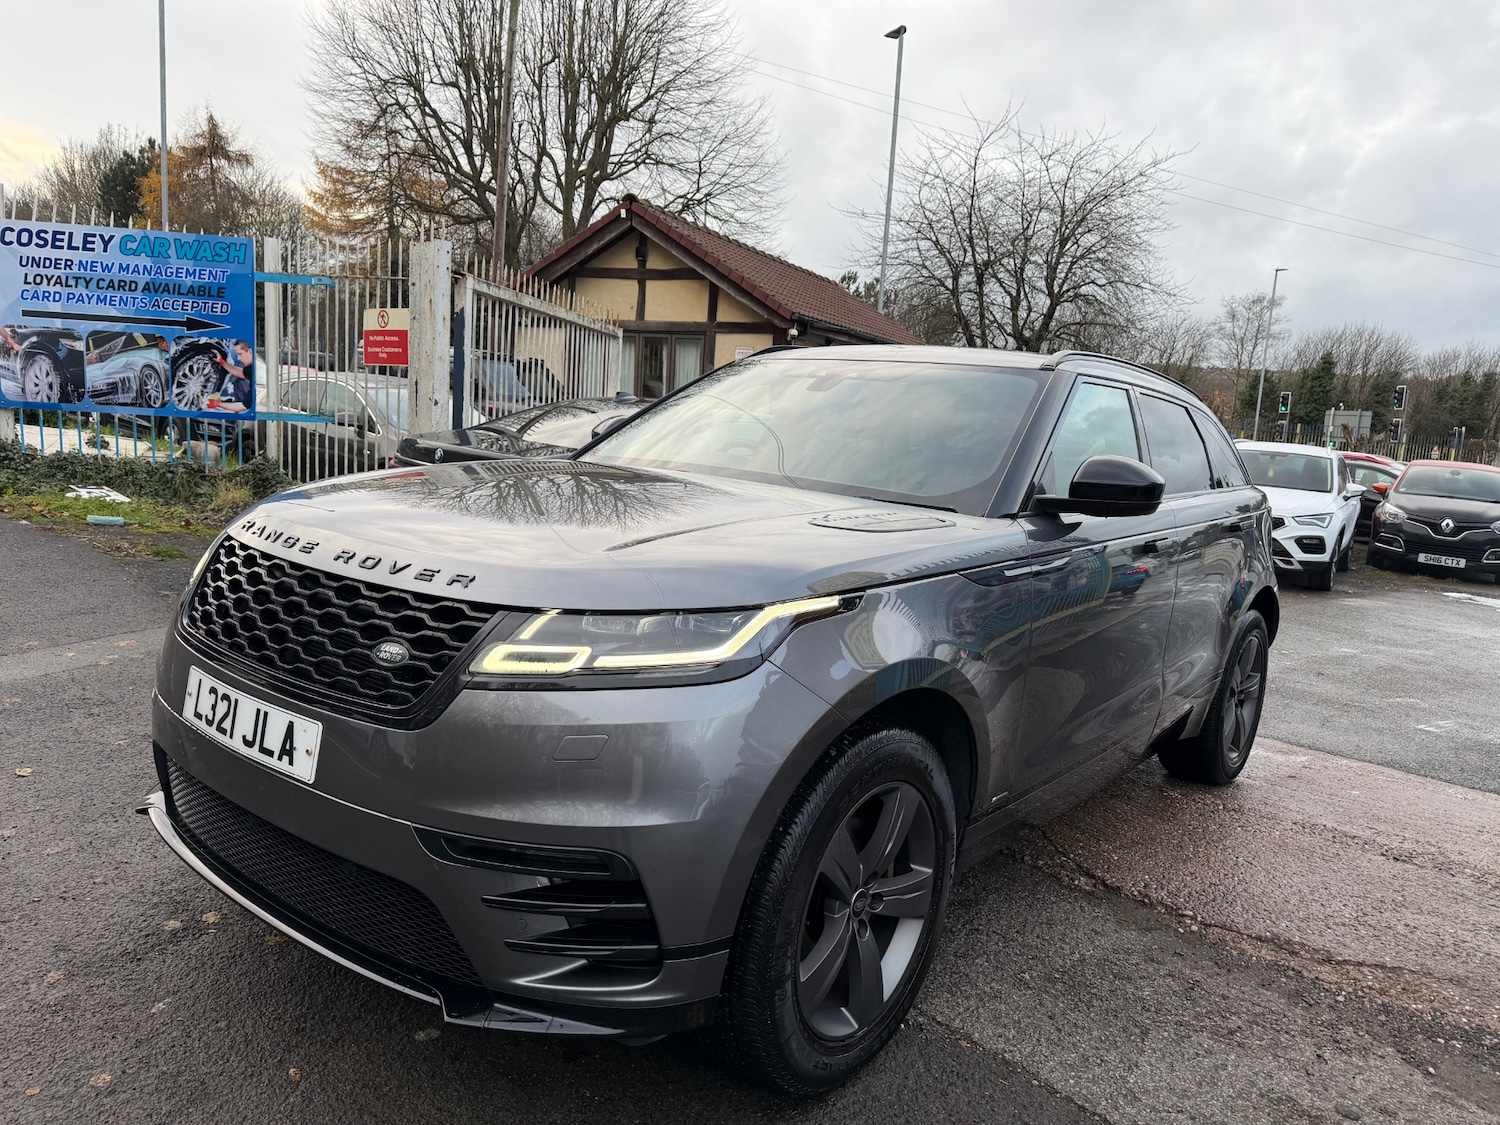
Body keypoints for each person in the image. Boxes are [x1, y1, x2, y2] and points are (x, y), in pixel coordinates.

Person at [213, 340, 254, 413]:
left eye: (240, 354)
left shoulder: (254, 371)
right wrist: (222, 362)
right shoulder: (251, 368)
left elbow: (243, 406)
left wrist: (217, 404)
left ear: (250, 351)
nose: (238, 358)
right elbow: (241, 372)